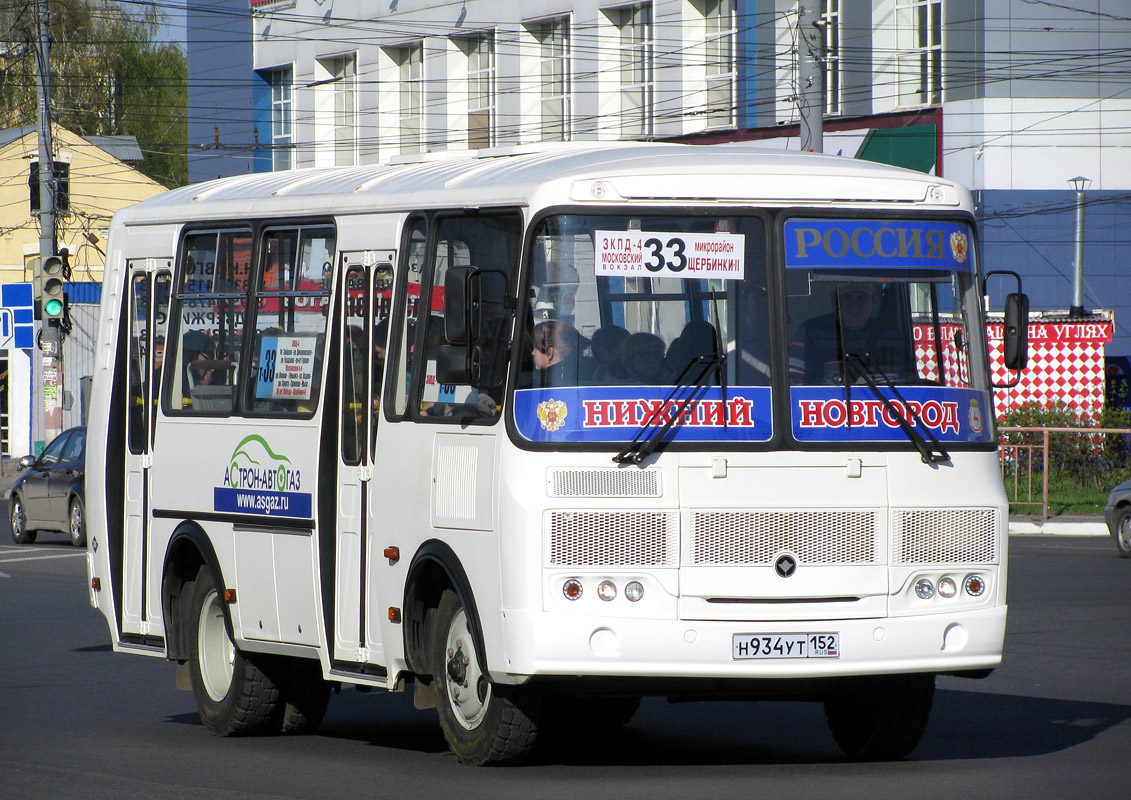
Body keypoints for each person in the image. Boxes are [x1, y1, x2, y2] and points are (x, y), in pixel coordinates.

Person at [789, 281, 914, 385]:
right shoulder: (809, 332)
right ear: (834, 301)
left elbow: (911, 384)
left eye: (862, 297)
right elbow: (793, 385)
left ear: (873, 301)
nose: (855, 306)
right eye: (846, 297)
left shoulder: (892, 336)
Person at [531, 319, 587, 388]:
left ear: (550, 352)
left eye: (536, 347)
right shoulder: (579, 377)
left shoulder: (539, 383)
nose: (533, 353)